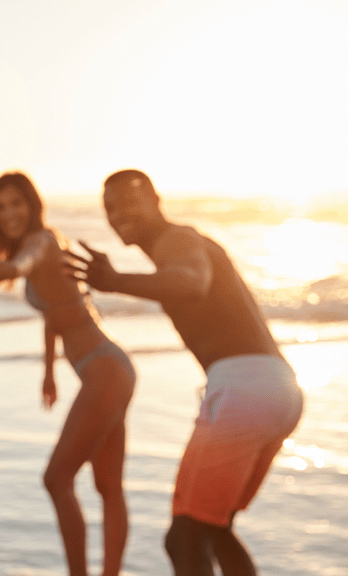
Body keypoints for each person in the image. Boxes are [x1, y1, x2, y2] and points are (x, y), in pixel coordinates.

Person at [66, 169, 304, 576]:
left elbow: (193, 282)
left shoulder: (176, 239)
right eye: (110, 207)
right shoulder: (179, 244)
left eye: (129, 201)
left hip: (242, 390)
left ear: (156, 200)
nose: (119, 213)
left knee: (184, 540)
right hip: (277, 389)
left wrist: (117, 280)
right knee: (215, 528)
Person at [0, 172, 135, 576]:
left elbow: (26, 265)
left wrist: (9, 270)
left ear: (32, 204)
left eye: (16, 203)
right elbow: (54, 312)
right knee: (108, 487)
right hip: (108, 369)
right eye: (1, 207)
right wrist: (49, 371)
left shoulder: (43, 241)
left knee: (57, 479)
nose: (9, 213)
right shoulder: (38, 245)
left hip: (105, 371)